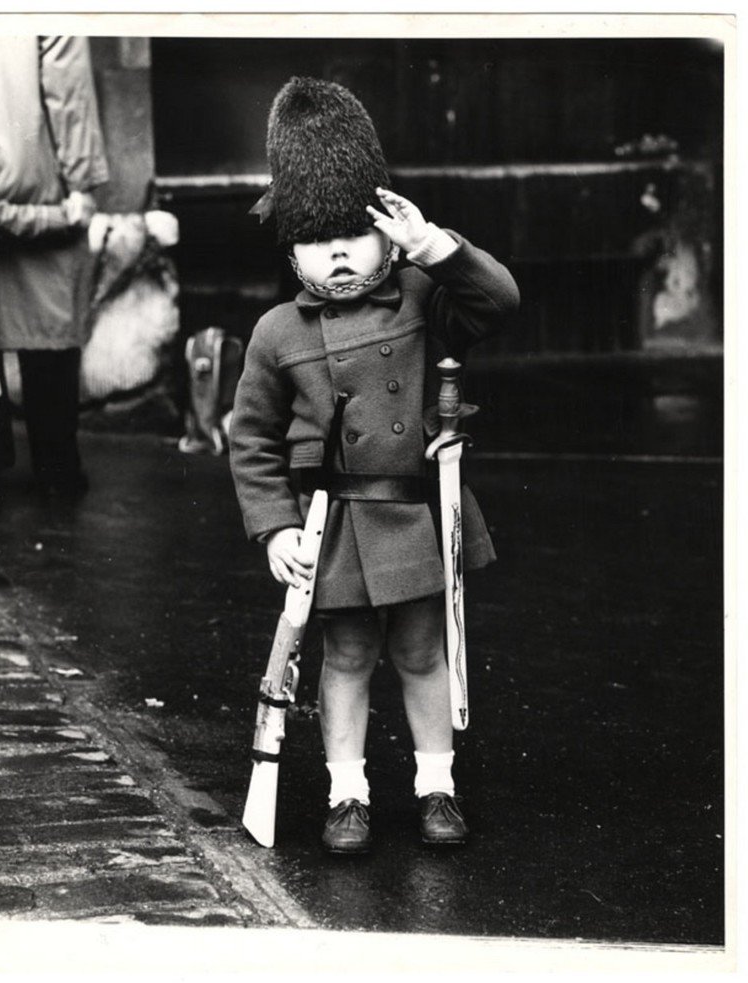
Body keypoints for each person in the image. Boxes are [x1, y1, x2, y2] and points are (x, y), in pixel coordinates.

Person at [229, 77, 519, 854]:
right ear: (288, 247)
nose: (339, 253)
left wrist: (438, 249)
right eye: (317, 240)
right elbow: (250, 439)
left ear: (388, 235)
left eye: (354, 234)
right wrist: (273, 530)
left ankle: (436, 786)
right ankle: (346, 794)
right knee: (348, 657)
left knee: (426, 653)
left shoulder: (425, 294)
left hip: (418, 515)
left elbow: (499, 300)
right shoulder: (276, 333)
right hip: (338, 527)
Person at [0, 36, 109, 496]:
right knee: (48, 322)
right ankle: (56, 469)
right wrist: (82, 182)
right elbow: (66, 89)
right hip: (37, 184)